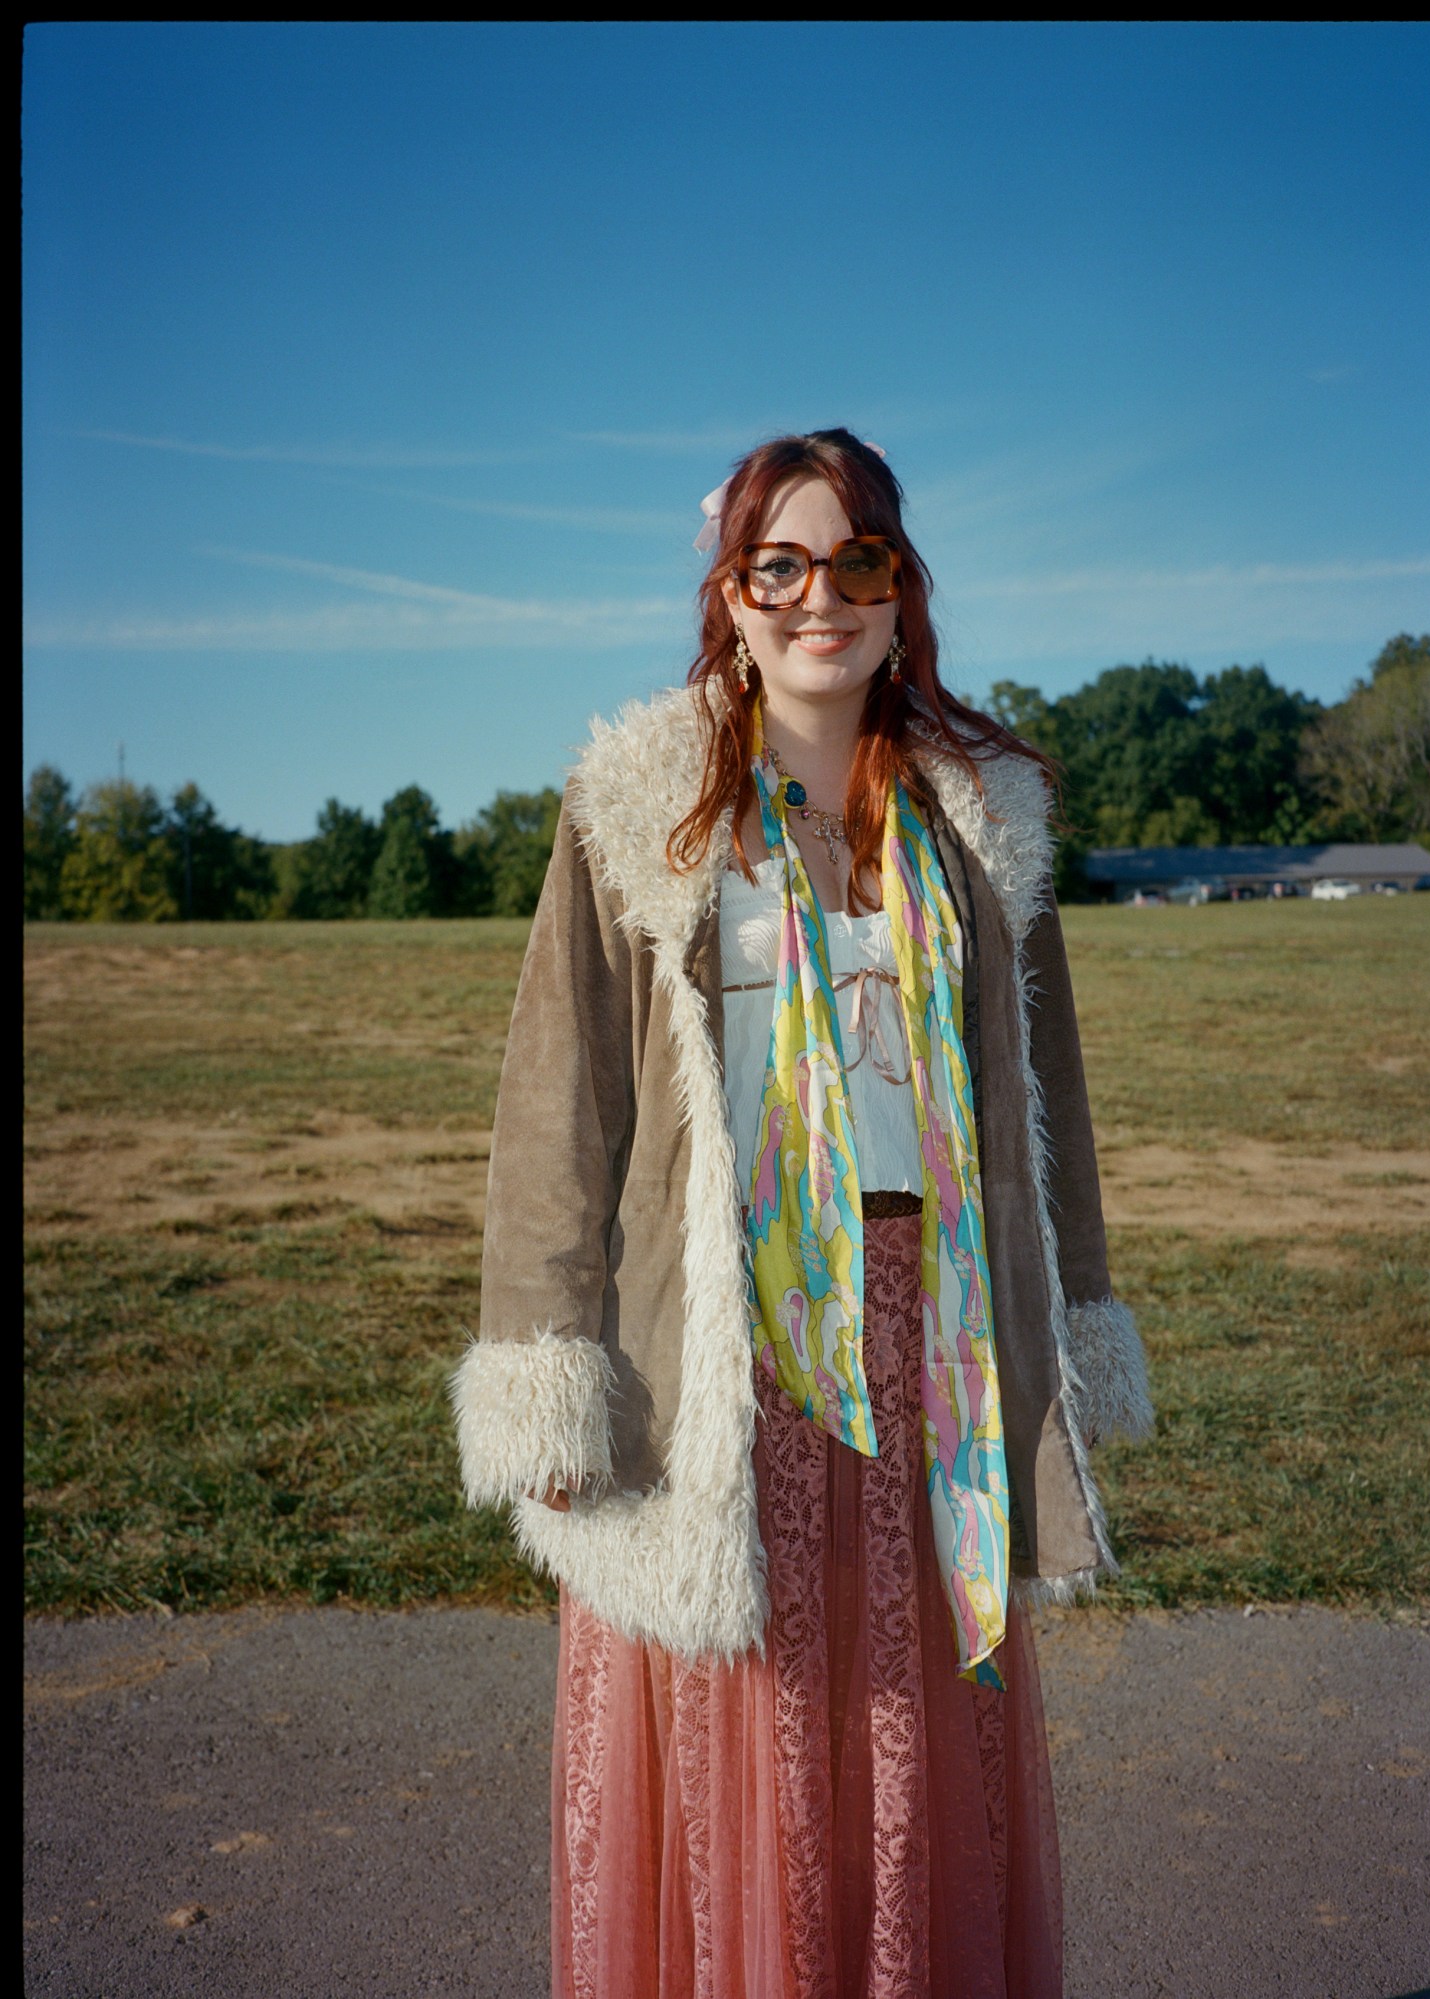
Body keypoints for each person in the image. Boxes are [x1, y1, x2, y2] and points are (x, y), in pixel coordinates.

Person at [452, 428, 1153, 1998]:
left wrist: (1075, 1332)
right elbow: (563, 1105)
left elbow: (1046, 1113)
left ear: (903, 596)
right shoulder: (641, 809)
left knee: (900, 1709)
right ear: (733, 593)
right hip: (720, 1341)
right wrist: (546, 1374)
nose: (818, 597)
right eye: (781, 565)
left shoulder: (984, 824)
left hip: (929, 1344)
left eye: (857, 562)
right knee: (747, 1704)